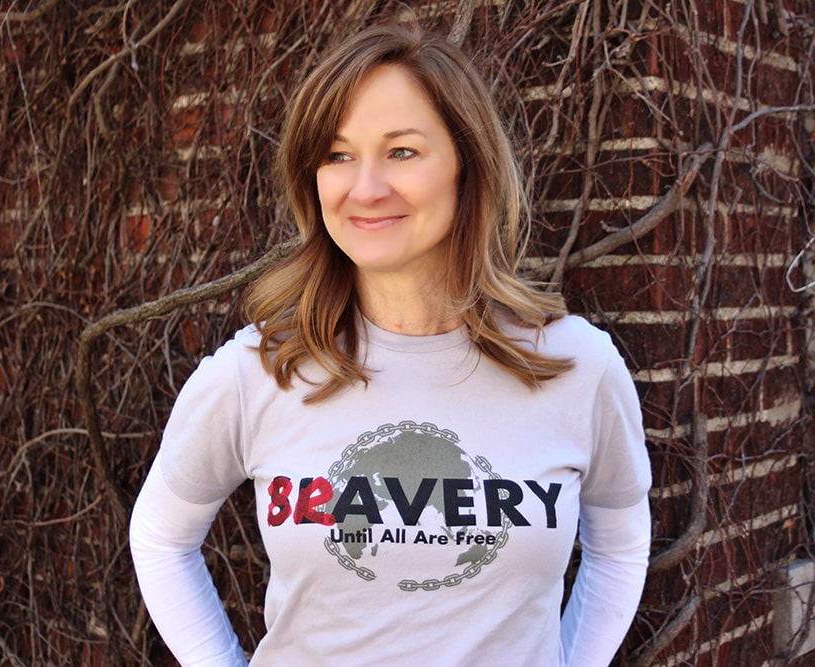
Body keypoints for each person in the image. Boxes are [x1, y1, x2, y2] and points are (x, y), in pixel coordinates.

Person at [129, 23, 651, 667]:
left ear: (468, 164)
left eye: (402, 151)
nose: (366, 187)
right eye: (338, 155)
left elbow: (621, 547)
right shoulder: (257, 371)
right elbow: (159, 539)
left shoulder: (578, 366)